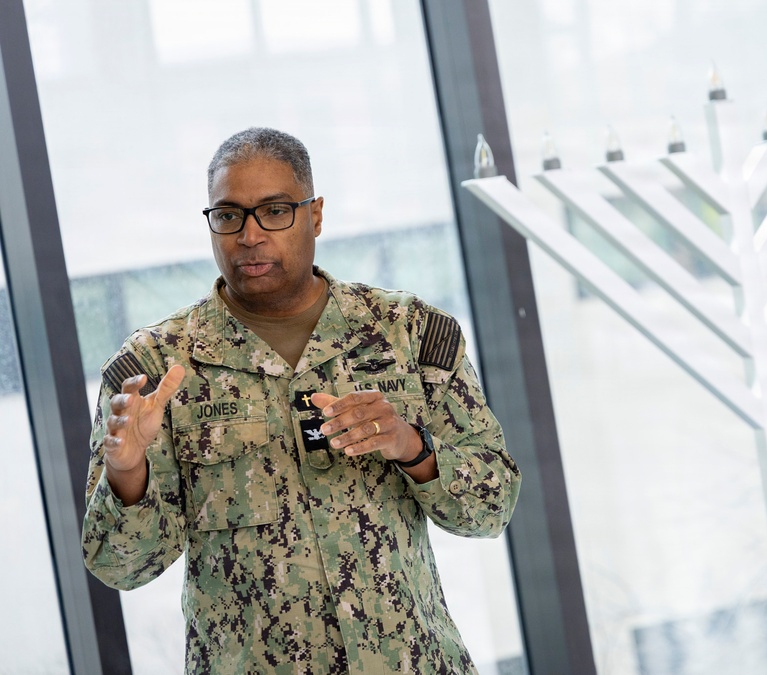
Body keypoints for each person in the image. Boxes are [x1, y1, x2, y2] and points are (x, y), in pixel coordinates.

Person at [81, 127, 521, 674]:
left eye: (274, 211)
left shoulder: (408, 333)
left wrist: (413, 447)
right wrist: (126, 475)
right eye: (228, 215)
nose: (249, 235)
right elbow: (120, 569)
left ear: (315, 216)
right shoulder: (155, 371)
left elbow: (491, 509)